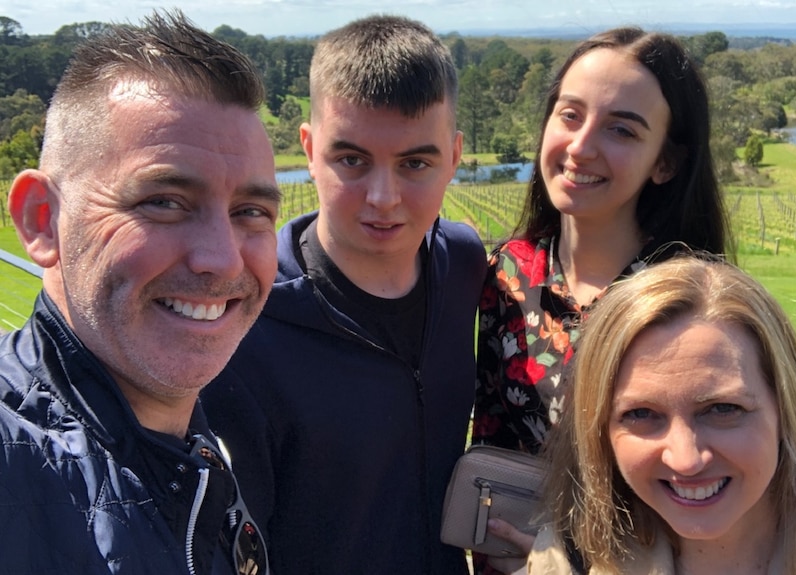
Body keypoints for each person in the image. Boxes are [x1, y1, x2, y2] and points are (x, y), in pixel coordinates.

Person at [200, 14, 486, 574]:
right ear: (309, 149)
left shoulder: (464, 264)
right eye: (351, 160)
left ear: (454, 157)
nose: (383, 197)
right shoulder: (244, 325)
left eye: (415, 163)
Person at [1, 11, 281, 575]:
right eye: (164, 201)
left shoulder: (195, 450)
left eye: (250, 212)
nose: (222, 259)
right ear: (42, 218)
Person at [471, 27, 732, 573]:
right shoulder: (508, 273)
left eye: (621, 130)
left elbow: (710, 474)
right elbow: (495, 437)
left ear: (666, 163)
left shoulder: (690, 299)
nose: (582, 146)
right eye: (570, 115)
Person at [528, 255, 796, 575]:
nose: (686, 460)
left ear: (787, 410)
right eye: (640, 414)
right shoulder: (568, 561)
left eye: (723, 409)